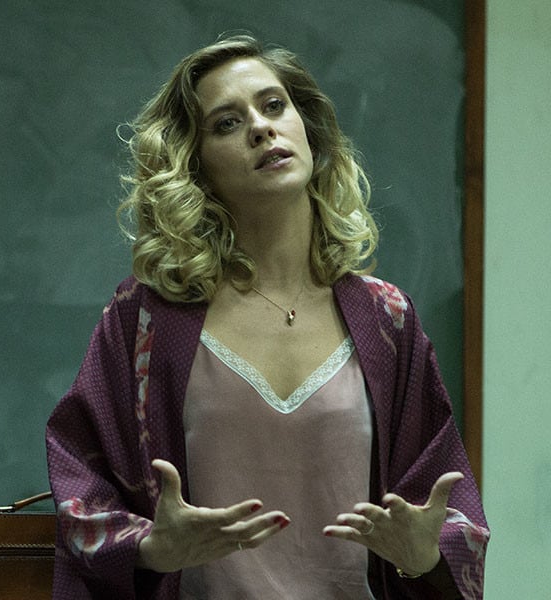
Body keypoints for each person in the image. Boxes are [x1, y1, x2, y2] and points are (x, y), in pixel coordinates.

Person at [45, 34, 488, 599]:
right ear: (195, 167)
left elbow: (446, 515)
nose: (260, 127)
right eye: (226, 124)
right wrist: (152, 548)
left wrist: (423, 557)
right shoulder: (147, 320)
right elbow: (82, 488)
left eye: (274, 105)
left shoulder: (386, 319)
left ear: (309, 130)